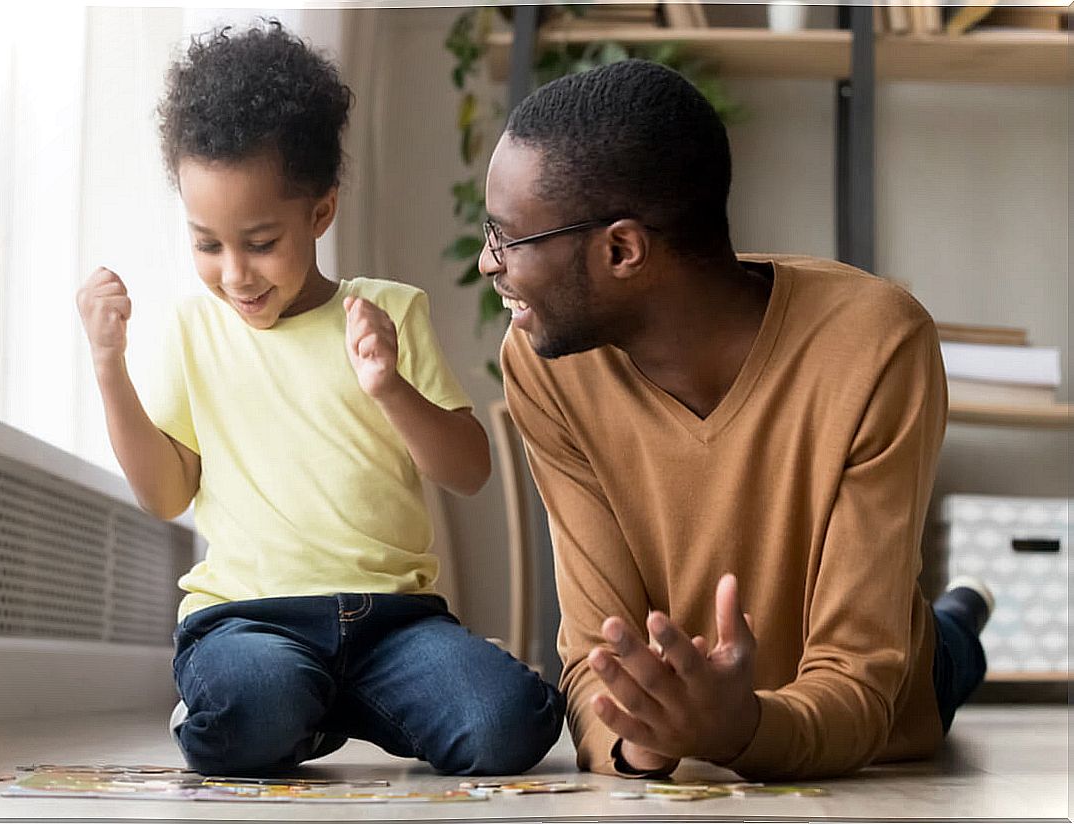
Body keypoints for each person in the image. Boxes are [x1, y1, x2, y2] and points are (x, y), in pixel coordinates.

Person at [76, 21, 563, 778]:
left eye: (260, 241)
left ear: (321, 212)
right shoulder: (195, 330)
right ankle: (288, 706)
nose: (235, 273)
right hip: (248, 622)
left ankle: (322, 707)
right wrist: (111, 368)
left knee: (513, 725)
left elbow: (467, 470)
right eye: (209, 243)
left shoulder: (391, 313)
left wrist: (388, 386)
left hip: (394, 626)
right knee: (249, 704)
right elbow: (166, 493)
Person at [485, 59, 993, 781]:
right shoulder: (545, 365)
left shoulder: (877, 344)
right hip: (712, 706)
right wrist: (643, 742)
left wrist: (740, 728)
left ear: (622, 249)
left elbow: (862, 682)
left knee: (941, 648)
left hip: (884, 707)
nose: (486, 262)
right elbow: (594, 655)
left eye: (508, 238)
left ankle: (960, 617)